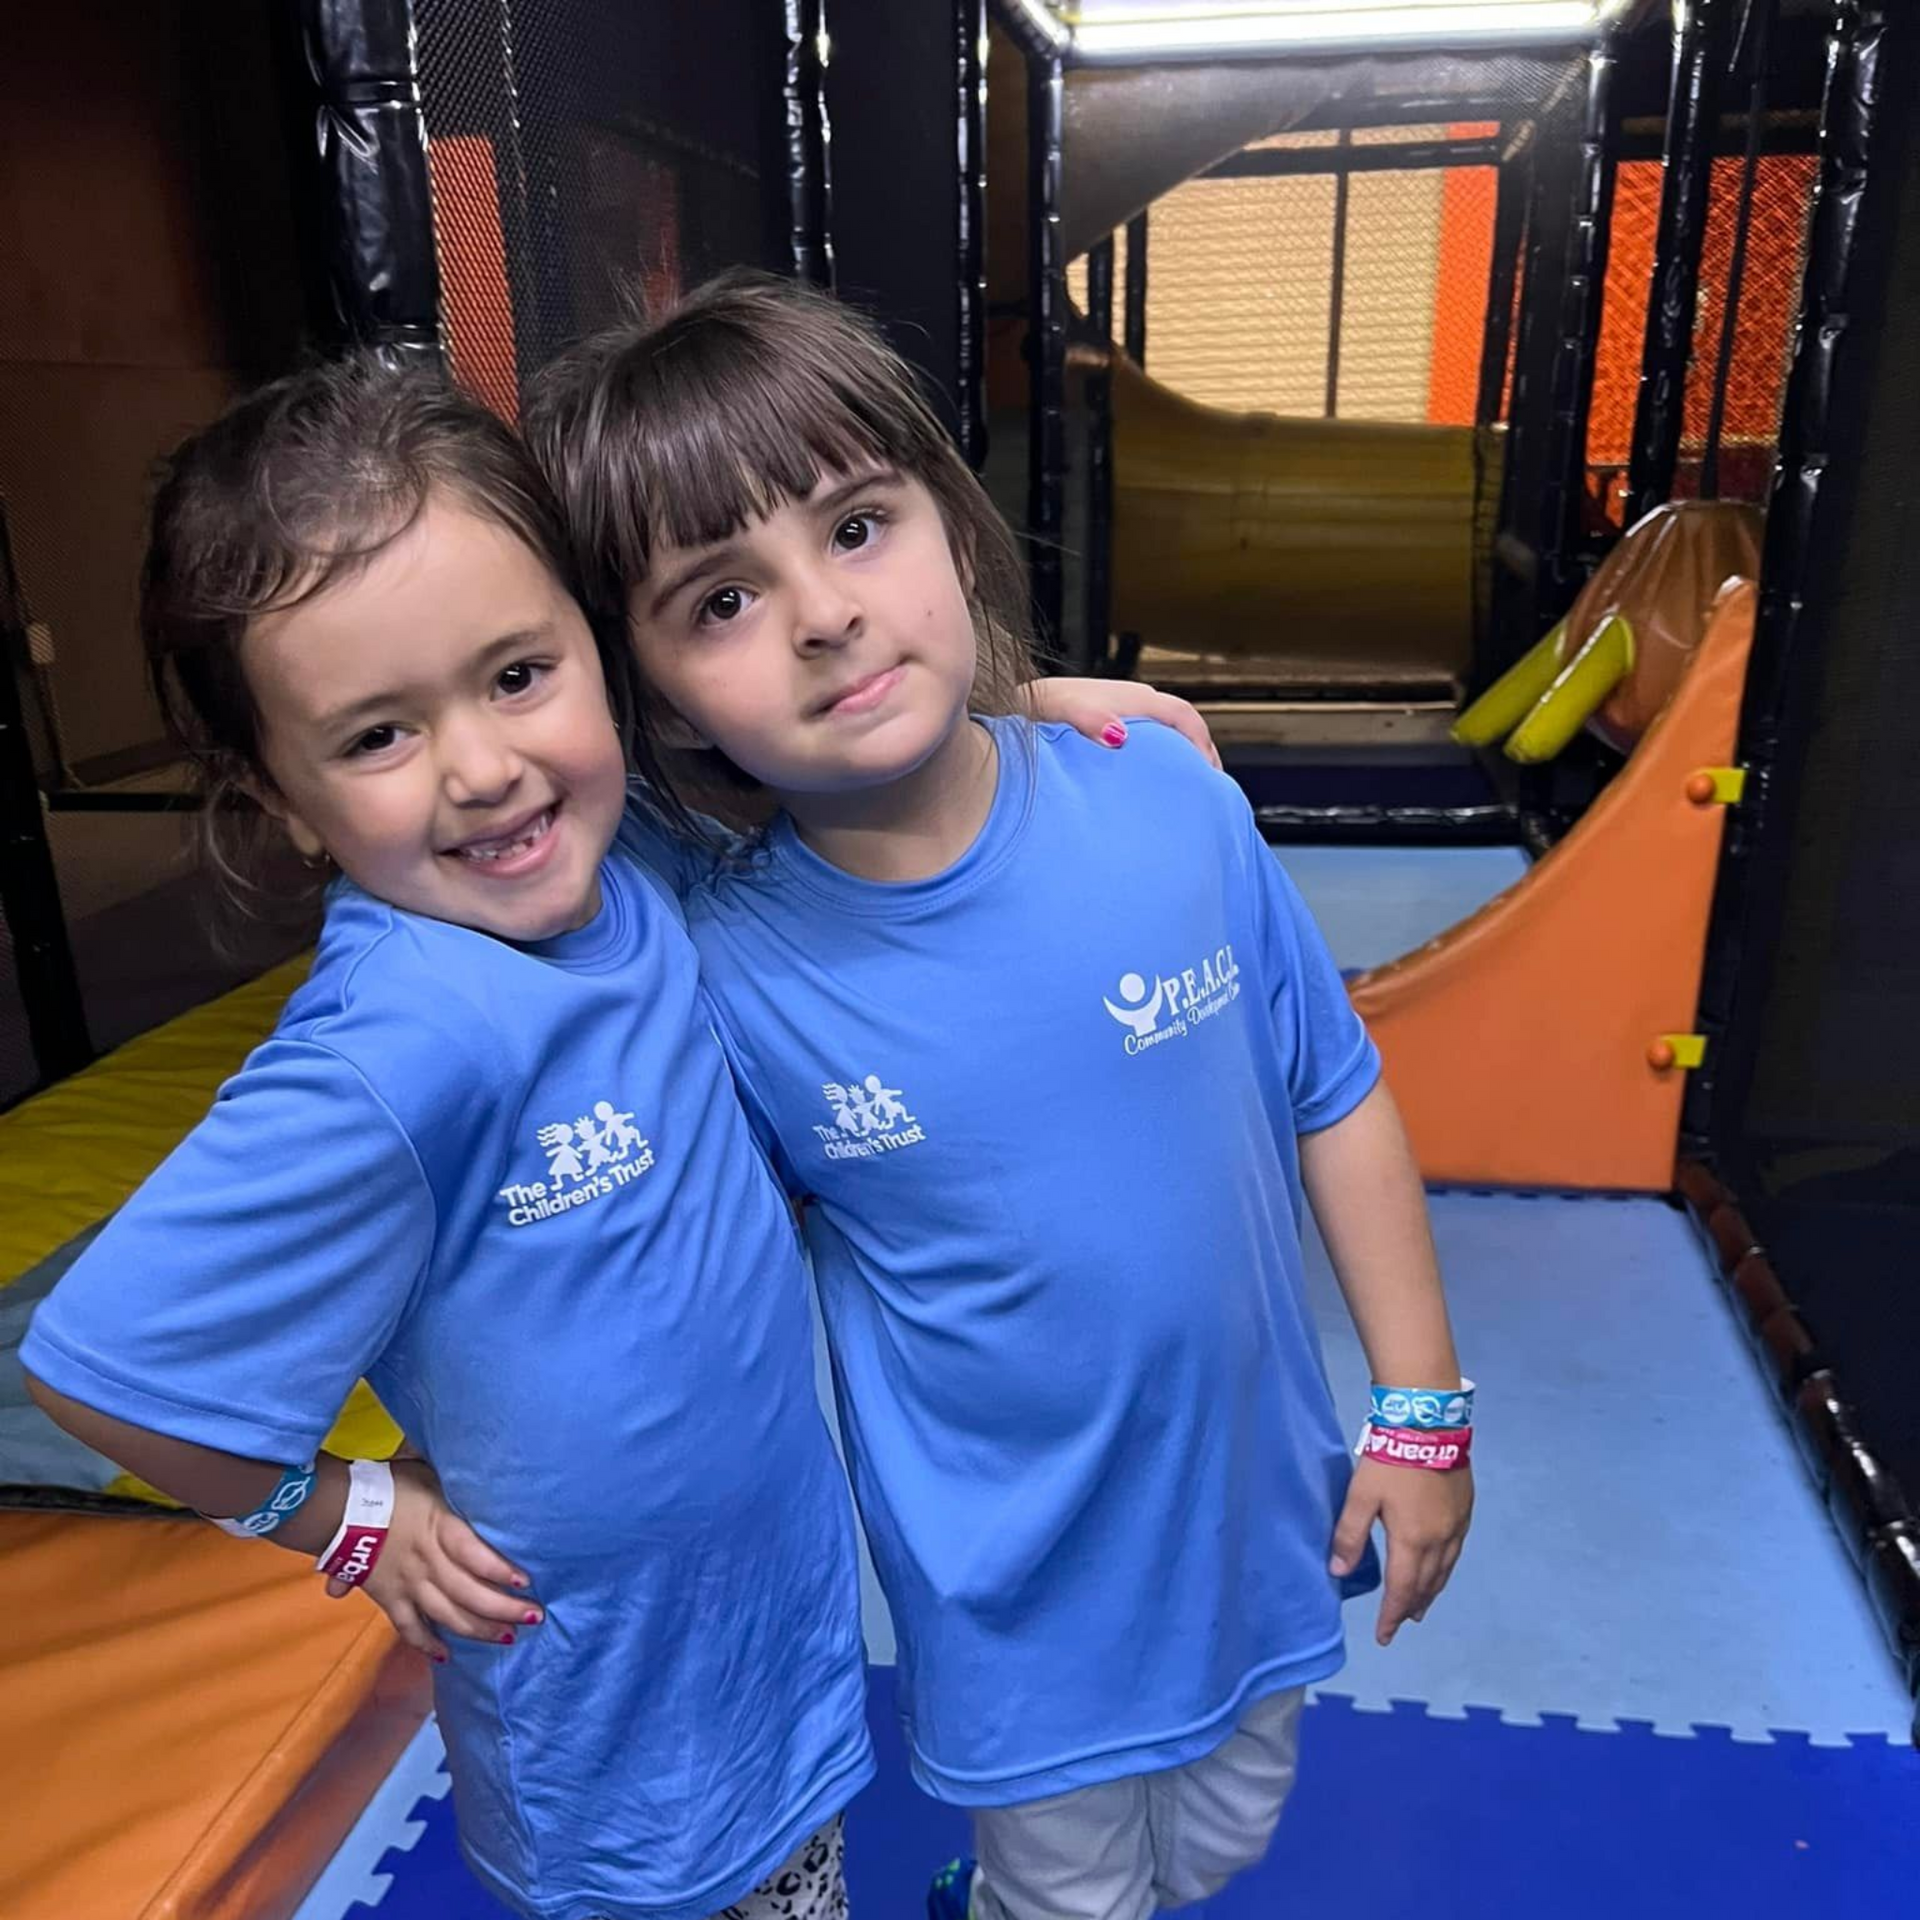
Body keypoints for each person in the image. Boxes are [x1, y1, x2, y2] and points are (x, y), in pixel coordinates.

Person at [20, 350, 1216, 1920]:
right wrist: (344, 1519)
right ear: (284, 797)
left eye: (519, 676)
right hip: (609, 1728)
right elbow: (103, 1362)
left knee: (802, 1873)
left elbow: (816, 733)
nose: (485, 768)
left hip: (764, 1642)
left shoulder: (623, 855)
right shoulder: (397, 1047)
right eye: (377, 737)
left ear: (597, 656)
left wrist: (1025, 712)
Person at [527, 274, 1476, 1920]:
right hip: (1012, 1585)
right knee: (1077, 1899)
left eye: (856, 527)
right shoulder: (717, 954)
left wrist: (1424, 1409)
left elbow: (1334, 1095)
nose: (823, 615)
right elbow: (511, 813)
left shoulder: (1168, 805)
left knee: (1226, 1838)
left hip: (1259, 1513)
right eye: (721, 601)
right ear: (657, 693)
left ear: (952, 529)